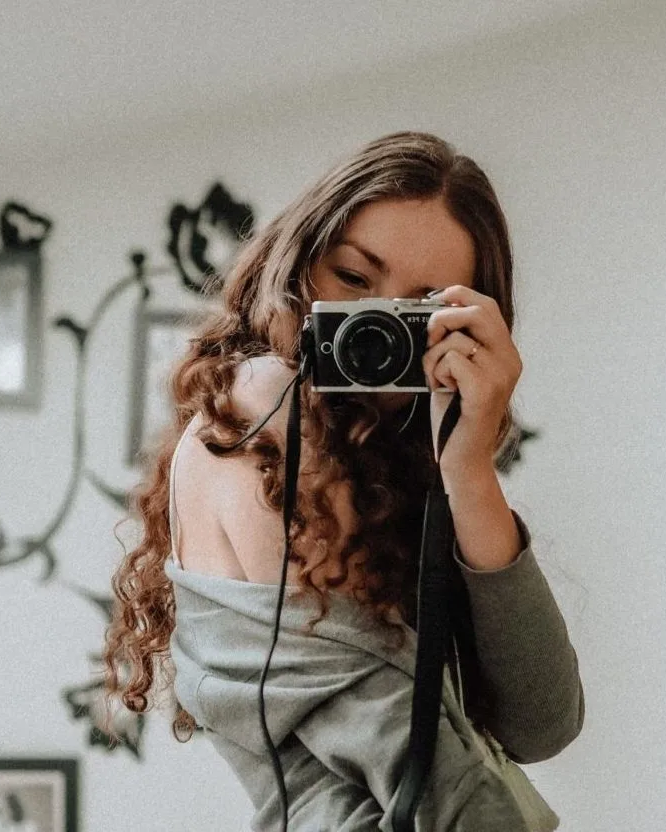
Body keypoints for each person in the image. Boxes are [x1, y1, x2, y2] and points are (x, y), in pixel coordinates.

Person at [103, 132, 584, 831]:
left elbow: (540, 723)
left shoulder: (396, 468)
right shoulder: (266, 401)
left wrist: (470, 470)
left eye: (418, 308)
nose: (373, 322)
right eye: (354, 280)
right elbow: (393, 736)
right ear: (293, 265)